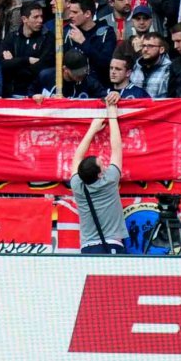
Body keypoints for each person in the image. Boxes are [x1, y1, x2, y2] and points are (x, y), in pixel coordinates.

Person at [69, 101, 127, 254]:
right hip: (112, 246)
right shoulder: (110, 180)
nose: (106, 165)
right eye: (102, 165)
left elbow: (76, 157)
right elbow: (116, 147)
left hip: (87, 248)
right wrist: (112, 113)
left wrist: (92, 129)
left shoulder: (77, 185)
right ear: (100, 174)